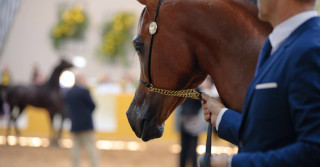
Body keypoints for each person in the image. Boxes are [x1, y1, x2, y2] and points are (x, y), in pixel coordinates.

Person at [201, 0, 320, 166]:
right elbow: (274, 135)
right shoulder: (278, 45)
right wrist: (222, 116)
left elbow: (314, 151)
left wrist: (231, 163)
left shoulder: (310, 49)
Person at [65, 73, 99, 167]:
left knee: (75, 148)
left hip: (74, 124)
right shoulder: (84, 91)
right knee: (91, 147)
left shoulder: (68, 93)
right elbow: (93, 105)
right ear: (80, 80)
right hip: (87, 124)